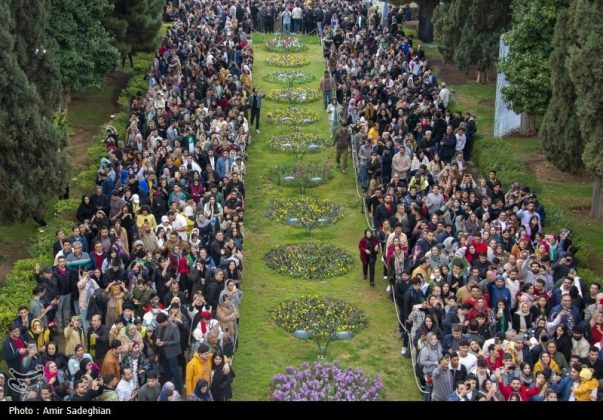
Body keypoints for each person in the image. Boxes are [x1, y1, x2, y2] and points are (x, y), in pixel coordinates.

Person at [155, 312, 182, 393]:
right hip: (163, 352)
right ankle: (168, 388)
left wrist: (164, 343)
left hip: (172, 353)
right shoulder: (159, 326)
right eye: (159, 323)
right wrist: (158, 339)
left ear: (166, 320)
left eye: (161, 323)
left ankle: (178, 389)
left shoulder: (174, 327)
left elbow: (177, 341)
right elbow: (158, 335)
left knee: (174, 371)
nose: (160, 325)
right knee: (166, 371)